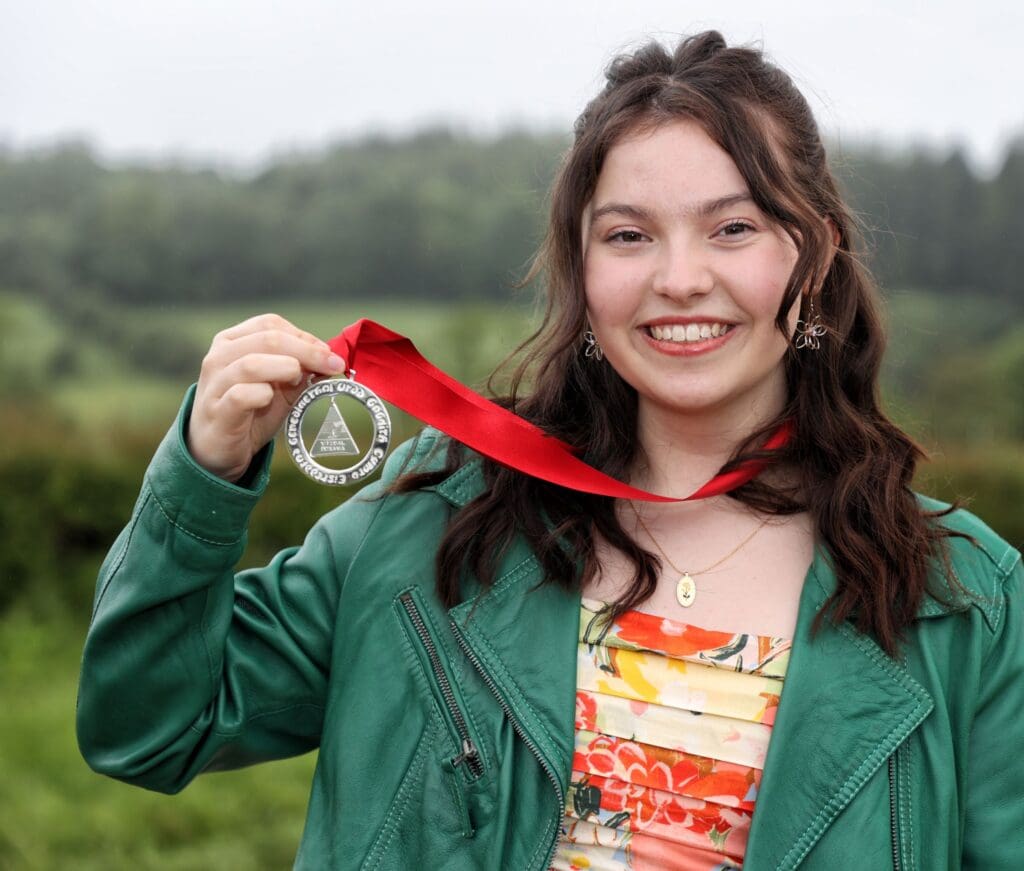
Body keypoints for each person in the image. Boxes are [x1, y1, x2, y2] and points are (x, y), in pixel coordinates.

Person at [77, 30, 1023, 871]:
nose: (679, 278)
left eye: (733, 228)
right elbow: (147, 725)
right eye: (629, 235)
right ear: (583, 269)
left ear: (812, 256)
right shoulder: (433, 522)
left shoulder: (966, 602)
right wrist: (205, 474)